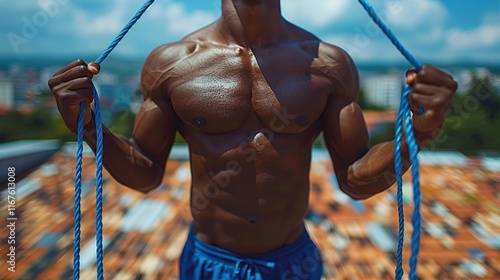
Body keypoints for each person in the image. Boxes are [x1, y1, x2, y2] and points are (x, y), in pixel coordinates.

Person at [48, 0, 457, 279]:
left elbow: (354, 177)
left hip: (290, 261)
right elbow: (145, 173)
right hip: (211, 262)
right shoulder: (172, 63)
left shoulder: (330, 64)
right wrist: (89, 129)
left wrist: (418, 133)